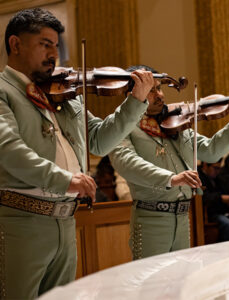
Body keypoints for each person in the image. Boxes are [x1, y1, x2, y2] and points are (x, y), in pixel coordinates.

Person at [0, 8, 154, 299]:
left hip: (66, 220)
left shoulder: (65, 93)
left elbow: (98, 140)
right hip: (21, 220)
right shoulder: (3, 91)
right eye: (44, 44)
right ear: (15, 44)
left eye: (56, 47)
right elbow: (9, 151)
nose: (52, 55)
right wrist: (67, 180)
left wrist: (136, 101)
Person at [109, 64, 229, 259]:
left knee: (179, 281)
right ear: (132, 92)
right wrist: (171, 178)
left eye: (160, 88)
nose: (160, 95)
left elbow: (211, 151)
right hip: (151, 218)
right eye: (151, 90)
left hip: (183, 216)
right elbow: (127, 164)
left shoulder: (175, 122)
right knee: (152, 282)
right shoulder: (120, 125)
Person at [198, 159, 229, 241]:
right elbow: (203, 198)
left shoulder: (218, 178)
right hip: (208, 214)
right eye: (215, 168)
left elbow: (226, 191)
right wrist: (221, 198)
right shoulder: (199, 178)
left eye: (219, 168)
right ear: (205, 165)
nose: (217, 171)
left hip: (223, 210)